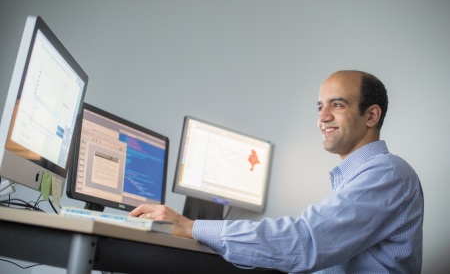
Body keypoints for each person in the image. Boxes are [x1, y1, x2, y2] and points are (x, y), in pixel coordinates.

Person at [130, 70, 424, 273]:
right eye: (320, 106)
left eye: (337, 104)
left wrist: (192, 227)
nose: (322, 117)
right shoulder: (357, 177)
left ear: (371, 115)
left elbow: (307, 241)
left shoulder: (388, 174)